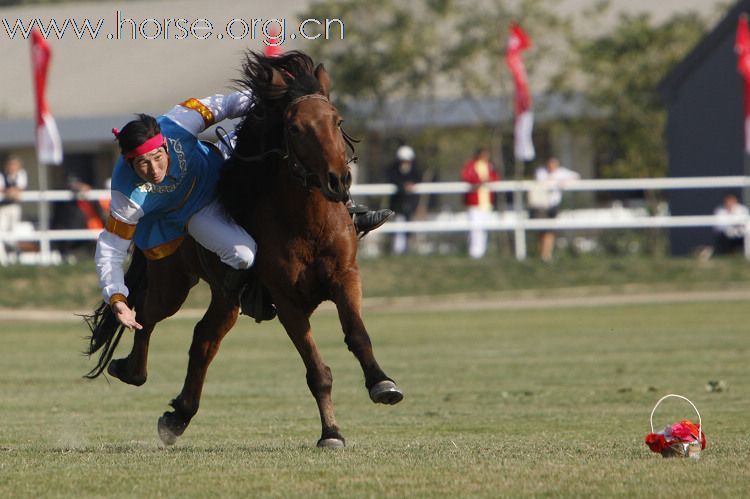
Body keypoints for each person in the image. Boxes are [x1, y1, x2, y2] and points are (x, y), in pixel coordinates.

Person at [97, 92, 391, 329]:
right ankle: (249, 294)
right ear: (129, 162)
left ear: (164, 144)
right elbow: (111, 249)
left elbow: (225, 104)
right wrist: (117, 299)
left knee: (284, 153)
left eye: (158, 157)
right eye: (143, 164)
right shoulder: (127, 195)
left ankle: (347, 210)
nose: (154, 168)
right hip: (196, 211)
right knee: (243, 254)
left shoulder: (179, 122)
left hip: (222, 166)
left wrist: (273, 99)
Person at [530, 157, 580, 262]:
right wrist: (557, 181)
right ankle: (542, 254)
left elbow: (576, 176)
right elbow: (542, 183)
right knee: (541, 231)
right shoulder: (541, 172)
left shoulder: (561, 172)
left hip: (553, 205)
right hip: (541, 205)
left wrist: (563, 181)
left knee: (550, 231)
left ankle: (547, 255)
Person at [461, 147, 500, 258]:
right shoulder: (471, 165)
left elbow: (495, 178)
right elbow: (467, 177)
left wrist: (488, 180)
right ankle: (474, 252)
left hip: (486, 201)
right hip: (474, 202)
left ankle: (481, 251)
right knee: (475, 228)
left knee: (484, 228)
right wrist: (479, 181)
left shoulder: (489, 166)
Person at [386, 145, 422, 254]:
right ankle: (398, 250)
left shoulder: (415, 171)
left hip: (411, 203)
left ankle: (406, 249)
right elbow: (393, 180)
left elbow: (417, 180)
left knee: (409, 227)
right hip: (398, 204)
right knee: (398, 226)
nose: (405, 163)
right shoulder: (394, 170)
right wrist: (403, 186)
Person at [0, 155, 28, 255]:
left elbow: (21, 187)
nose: (12, 167)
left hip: (14, 206)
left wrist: (13, 192)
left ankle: (14, 251)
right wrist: (10, 192)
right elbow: (1, 188)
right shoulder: (2, 175)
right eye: (11, 165)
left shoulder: (21, 174)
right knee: (2, 229)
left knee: (13, 230)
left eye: (15, 165)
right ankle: (3, 255)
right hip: (3, 207)